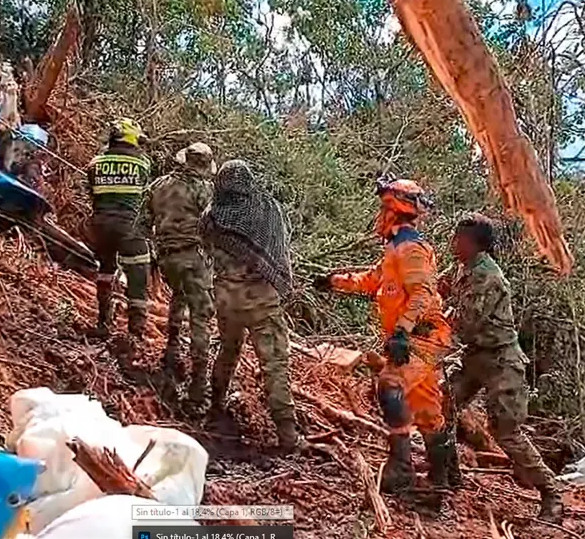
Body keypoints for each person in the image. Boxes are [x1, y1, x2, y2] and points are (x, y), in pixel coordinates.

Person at [315, 178, 455, 492]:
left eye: (384, 208)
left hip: (422, 337)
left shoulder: (411, 248)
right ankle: (443, 478)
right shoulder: (396, 248)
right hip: (418, 337)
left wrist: (402, 331)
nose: (381, 215)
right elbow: (372, 280)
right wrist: (333, 281)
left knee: (390, 385)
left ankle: (401, 470)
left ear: (395, 209)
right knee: (428, 412)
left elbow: (422, 292)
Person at [441, 213, 563, 522]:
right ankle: (446, 476)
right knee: (442, 404)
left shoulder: (487, 277)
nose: (454, 244)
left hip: (501, 361)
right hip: (476, 356)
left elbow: (467, 326)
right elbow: (439, 288)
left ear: (476, 245)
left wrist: (433, 325)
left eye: (460, 239)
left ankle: (551, 494)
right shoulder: (462, 269)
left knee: (507, 432)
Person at [199, 160, 300, 450]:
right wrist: (283, 283)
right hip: (261, 299)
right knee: (275, 364)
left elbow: (206, 248)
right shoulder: (268, 211)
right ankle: (288, 434)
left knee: (227, 350)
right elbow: (280, 251)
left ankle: (215, 407)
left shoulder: (211, 217)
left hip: (226, 298)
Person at [137, 142, 216, 413]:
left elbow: (142, 225)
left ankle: (171, 350)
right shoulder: (205, 190)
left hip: (167, 257)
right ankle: (198, 388)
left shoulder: (157, 185)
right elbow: (213, 227)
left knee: (178, 297)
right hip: (193, 257)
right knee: (201, 316)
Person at [86, 118, 152, 340]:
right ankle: (136, 331)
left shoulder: (95, 162)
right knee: (138, 275)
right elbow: (144, 196)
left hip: (101, 226)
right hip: (130, 227)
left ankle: (103, 321)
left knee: (105, 270)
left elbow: (93, 194)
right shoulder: (143, 163)